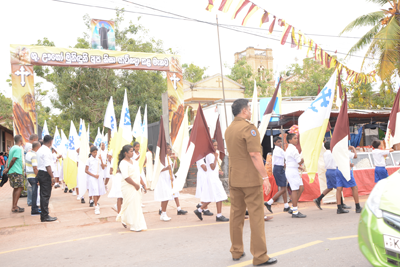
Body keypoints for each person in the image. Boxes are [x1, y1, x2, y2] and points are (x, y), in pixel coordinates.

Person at [225, 99, 277, 266]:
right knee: (256, 217)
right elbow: (255, 155)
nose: (250, 111)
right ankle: (260, 256)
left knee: (236, 215)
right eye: (249, 108)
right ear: (244, 111)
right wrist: (265, 177)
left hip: (234, 179)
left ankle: (236, 251)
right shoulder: (249, 128)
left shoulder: (229, 129)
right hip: (250, 180)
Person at [194, 139, 229, 222]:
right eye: (214, 145)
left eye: (216, 145)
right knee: (219, 195)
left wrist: (218, 171)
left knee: (211, 196)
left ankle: (199, 210)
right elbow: (212, 167)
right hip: (212, 178)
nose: (215, 147)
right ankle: (219, 215)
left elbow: (213, 168)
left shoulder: (212, 154)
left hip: (213, 177)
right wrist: (216, 158)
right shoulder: (210, 155)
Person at [116, 145, 147, 232]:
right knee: (130, 204)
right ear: (125, 153)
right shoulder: (123, 163)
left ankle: (138, 224)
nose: (133, 152)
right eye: (131, 151)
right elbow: (126, 176)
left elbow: (138, 174)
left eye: (133, 151)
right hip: (129, 186)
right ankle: (133, 225)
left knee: (136, 205)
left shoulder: (134, 162)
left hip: (136, 186)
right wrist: (135, 185)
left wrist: (143, 184)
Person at [155, 143, 188, 221]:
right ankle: (163, 213)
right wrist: (167, 168)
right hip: (162, 179)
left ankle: (163, 213)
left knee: (167, 196)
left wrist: (175, 160)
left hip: (169, 179)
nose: (169, 150)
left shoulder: (167, 157)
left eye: (169, 148)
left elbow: (174, 167)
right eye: (167, 148)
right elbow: (157, 170)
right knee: (165, 196)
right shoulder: (160, 157)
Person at [264, 136, 290, 214]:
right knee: (282, 189)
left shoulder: (279, 150)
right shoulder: (277, 150)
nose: (280, 143)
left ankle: (286, 206)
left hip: (280, 168)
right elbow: (286, 156)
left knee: (283, 187)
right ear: (275, 143)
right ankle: (269, 202)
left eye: (280, 141)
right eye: (278, 142)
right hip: (278, 169)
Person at [335, 146, 362, 214]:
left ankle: (339, 207)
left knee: (339, 189)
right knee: (354, 187)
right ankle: (357, 206)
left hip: (338, 169)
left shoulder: (336, 152)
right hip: (346, 170)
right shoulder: (346, 152)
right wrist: (353, 148)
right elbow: (355, 156)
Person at [36, 135, 57, 222]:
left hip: (41, 173)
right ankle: (45, 216)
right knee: (45, 196)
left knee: (43, 195)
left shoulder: (40, 149)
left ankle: (44, 215)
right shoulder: (46, 150)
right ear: (50, 141)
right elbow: (47, 166)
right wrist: (52, 177)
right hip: (45, 174)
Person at [285, 133, 306, 218]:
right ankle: (295, 211)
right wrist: (307, 157)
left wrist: (299, 167)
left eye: (296, 138)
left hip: (293, 170)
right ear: (290, 140)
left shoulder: (291, 148)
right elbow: (299, 161)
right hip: (292, 171)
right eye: (294, 138)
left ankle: (294, 207)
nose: (296, 140)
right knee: (295, 190)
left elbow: (292, 162)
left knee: (301, 188)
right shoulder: (293, 149)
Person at [4, 135, 25, 213]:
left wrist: (7, 168)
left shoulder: (12, 148)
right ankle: (14, 206)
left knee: (16, 188)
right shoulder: (18, 148)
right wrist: (7, 168)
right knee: (19, 187)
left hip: (13, 171)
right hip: (16, 171)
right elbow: (13, 160)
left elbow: (9, 159)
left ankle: (14, 205)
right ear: (21, 141)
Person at [86, 146, 106, 215]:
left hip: (99, 177)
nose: (95, 153)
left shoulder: (98, 159)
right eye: (94, 152)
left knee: (100, 191)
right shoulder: (89, 160)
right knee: (95, 190)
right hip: (93, 177)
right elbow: (86, 170)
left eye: (96, 152)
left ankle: (95, 203)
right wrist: (94, 175)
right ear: (91, 153)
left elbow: (103, 168)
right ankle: (96, 207)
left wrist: (101, 160)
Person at [26, 141, 41, 215]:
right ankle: (34, 210)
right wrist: (39, 178)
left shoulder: (28, 153)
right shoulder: (34, 155)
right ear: (38, 147)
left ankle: (35, 208)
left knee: (34, 193)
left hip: (29, 176)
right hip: (33, 176)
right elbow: (35, 168)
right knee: (35, 194)